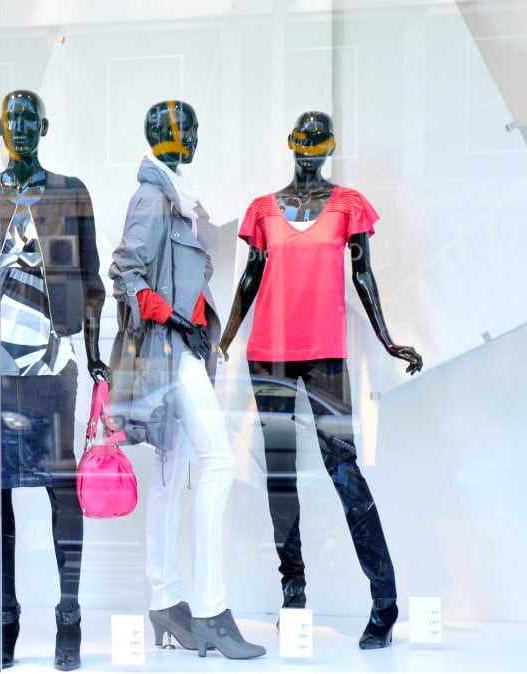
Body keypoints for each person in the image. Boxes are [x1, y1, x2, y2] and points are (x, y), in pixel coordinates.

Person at [218, 110, 423, 649]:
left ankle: (385, 600)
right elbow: (251, 275)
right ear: (290, 143)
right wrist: (225, 337)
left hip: (325, 358)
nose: (309, 147)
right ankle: (294, 591)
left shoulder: (348, 206)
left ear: (330, 146)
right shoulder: (263, 210)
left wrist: (387, 339)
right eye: (302, 139)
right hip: (268, 358)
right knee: (279, 475)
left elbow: (363, 273)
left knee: (344, 470)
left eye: (318, 140)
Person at [0, 89, 109, 671]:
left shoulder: (71, 192)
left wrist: (93, 355)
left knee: (61, 485)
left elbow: (91, 280)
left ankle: (69, 615)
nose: (22, 127)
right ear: (0, 129)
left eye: (31, 119)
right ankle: (5, 614)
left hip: (53, 359)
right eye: (13, 120)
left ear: (45, 127)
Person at [109, 100, 265, 660]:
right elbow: (124, 272)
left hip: (182, 350)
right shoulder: (153, 197)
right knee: (217, 461)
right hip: (167, 352)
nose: (195, 135)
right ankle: (210, 610)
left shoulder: (177, 195)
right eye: (187, 127)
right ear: (162, 133)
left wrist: (193, 320)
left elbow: (183, 275)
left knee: (172, 472)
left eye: (195, 126)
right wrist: (176, 319)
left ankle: (166, 600)